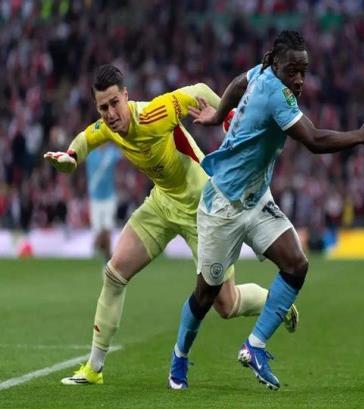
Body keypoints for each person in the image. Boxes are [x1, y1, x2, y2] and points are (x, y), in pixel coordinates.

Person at [44, 64, 299, 386]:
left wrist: (228, 116)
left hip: (204, 209)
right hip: (163, 203)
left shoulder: (155, 114)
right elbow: (86, 137)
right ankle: (94, 369)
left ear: (126, 96)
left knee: (227, 305)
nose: (110, 114)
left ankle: (277, 304)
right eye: (103, 107)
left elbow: (199, 91)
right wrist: (71, 157)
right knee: (114, 274)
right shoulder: (109, 126)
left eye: (114, 103)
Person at [168, 30, 364, 390]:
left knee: (296, 264)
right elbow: (313, 140)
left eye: (304, 72)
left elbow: (238, 82)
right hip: (223, 206)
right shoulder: (277, 94)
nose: (299, 80)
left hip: (256, 201)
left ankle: (254, 346)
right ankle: (179, 357)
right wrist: (358, 136)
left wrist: (217, 114)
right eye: (292, 71)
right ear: (276, 64)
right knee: (206, 295)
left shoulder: (262, 72)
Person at [86, 143, 121, 260]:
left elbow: (125, 155)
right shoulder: (91, 154)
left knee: (107, 228)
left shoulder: (112, 152)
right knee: (97, 230)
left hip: (109, 196)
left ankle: (108, 257)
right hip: (95, 197)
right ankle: (99, 251)